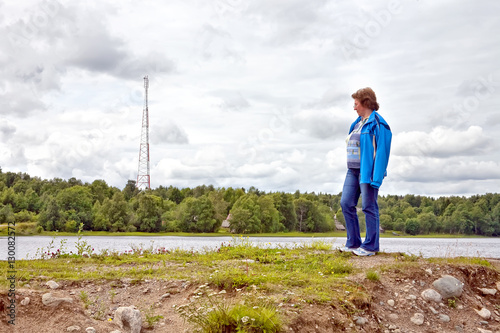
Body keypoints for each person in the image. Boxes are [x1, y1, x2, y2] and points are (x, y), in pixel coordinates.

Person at [340, 87, 392, 256]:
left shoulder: (379, 123)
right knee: (346, 203)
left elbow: (382, 151)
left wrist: (376, 177)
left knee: (369, 206)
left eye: (356, 104)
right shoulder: (357, 123)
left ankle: (370, 246)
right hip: (352, 171)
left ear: (366, 103)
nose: (354, 108)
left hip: (367, 171)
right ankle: (354, 243)